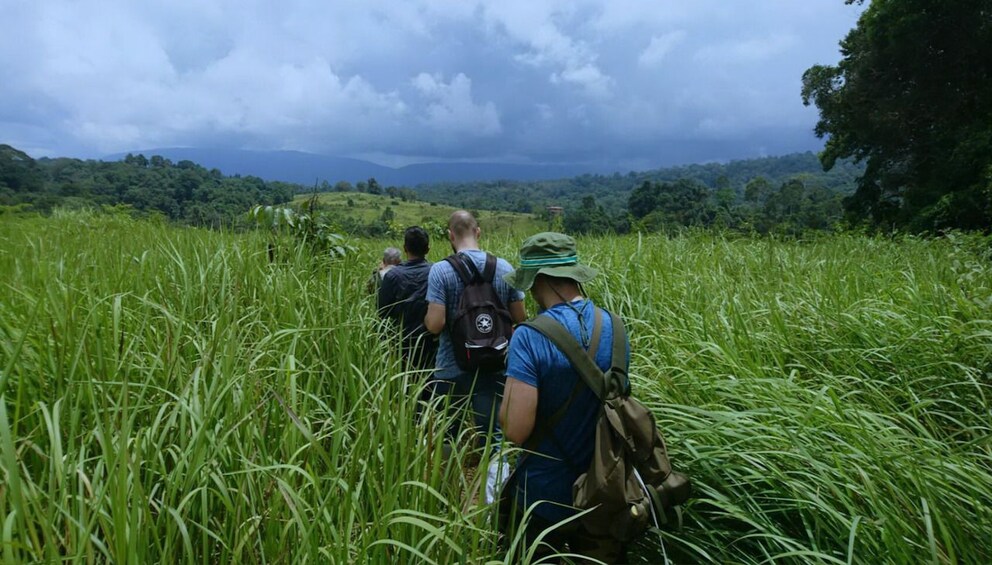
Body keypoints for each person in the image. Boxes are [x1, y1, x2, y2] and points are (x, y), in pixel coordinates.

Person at [498, 232, 630, 563]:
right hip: (606, 487)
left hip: (543, 494)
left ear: (537, 279)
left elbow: (516, 430)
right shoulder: (615, 326)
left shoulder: (529, 337)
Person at [423, 210, 527, 446]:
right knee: (493, 437)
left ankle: (449, 480)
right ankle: (493, 481)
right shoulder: (503, 267)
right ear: (478, 232)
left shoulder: (440, 271)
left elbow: (435, 325)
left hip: (451, 366)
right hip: (495, 363)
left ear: (450, 236)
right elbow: (520, 317)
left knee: (447, 437)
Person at [378, 226, 437, 372]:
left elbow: (382, 312)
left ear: (405, 248)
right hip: (432, 343)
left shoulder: (392, 276)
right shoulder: (437, 271)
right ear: (427, 249)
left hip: (400, 342)